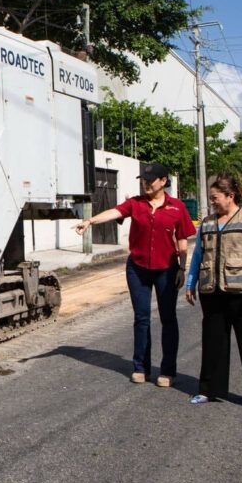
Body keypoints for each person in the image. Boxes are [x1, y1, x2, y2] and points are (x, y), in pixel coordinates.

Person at [75, 163, 196, 386]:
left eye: (151, 179)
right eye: (144, 180)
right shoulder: (136, 204)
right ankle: (141, 367)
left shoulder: (177, 207)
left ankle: (167, 371)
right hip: (138, 269)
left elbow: (182, 240)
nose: (146, 183)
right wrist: (90, 221)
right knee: (141, 319)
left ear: (164, 181)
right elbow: (115, 212)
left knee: (168, 319)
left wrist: (182, 267)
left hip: (166, 270)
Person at [184, 173, 242, 412]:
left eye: (215, 197)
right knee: (213, 343)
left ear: (230, 196)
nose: (212, 202)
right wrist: (190, 283)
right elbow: (199, 255)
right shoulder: (208, 223)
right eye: (211, 198)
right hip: (213, 292)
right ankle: (207, 390)